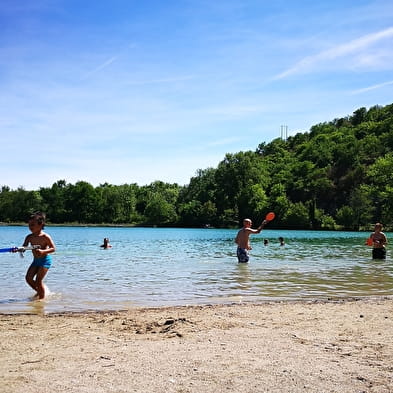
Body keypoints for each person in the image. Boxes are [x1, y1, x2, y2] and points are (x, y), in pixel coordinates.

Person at [16, 212, 56, 299]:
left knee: (38, 281)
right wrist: (19, 249)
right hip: (35, 261)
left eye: (33, 224)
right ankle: (41, 291)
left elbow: (53, 249)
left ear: (41, 225)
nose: (30, 227)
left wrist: (43, 251)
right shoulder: (29, 237)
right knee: (28, 278)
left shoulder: (45, 237)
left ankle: (41, 299)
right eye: (29, 225)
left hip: (45, 261)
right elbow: (24, 247)